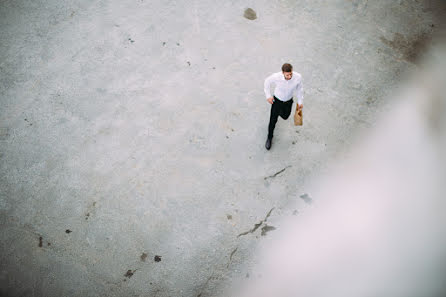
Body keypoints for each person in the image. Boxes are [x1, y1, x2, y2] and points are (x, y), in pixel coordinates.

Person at [263, 63, 303, 150]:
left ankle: (279, 112)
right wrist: (268, 96)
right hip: (277, 101)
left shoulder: (298, 77)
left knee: (285, 116)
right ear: (283, 73)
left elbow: (299, 89)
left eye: (291, 74)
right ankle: (269, 137)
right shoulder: (276, 76)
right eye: (287, 75)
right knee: (273, 120)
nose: (289, 76)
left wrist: (300, 102)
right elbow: (267, 82)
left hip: (288, 101)